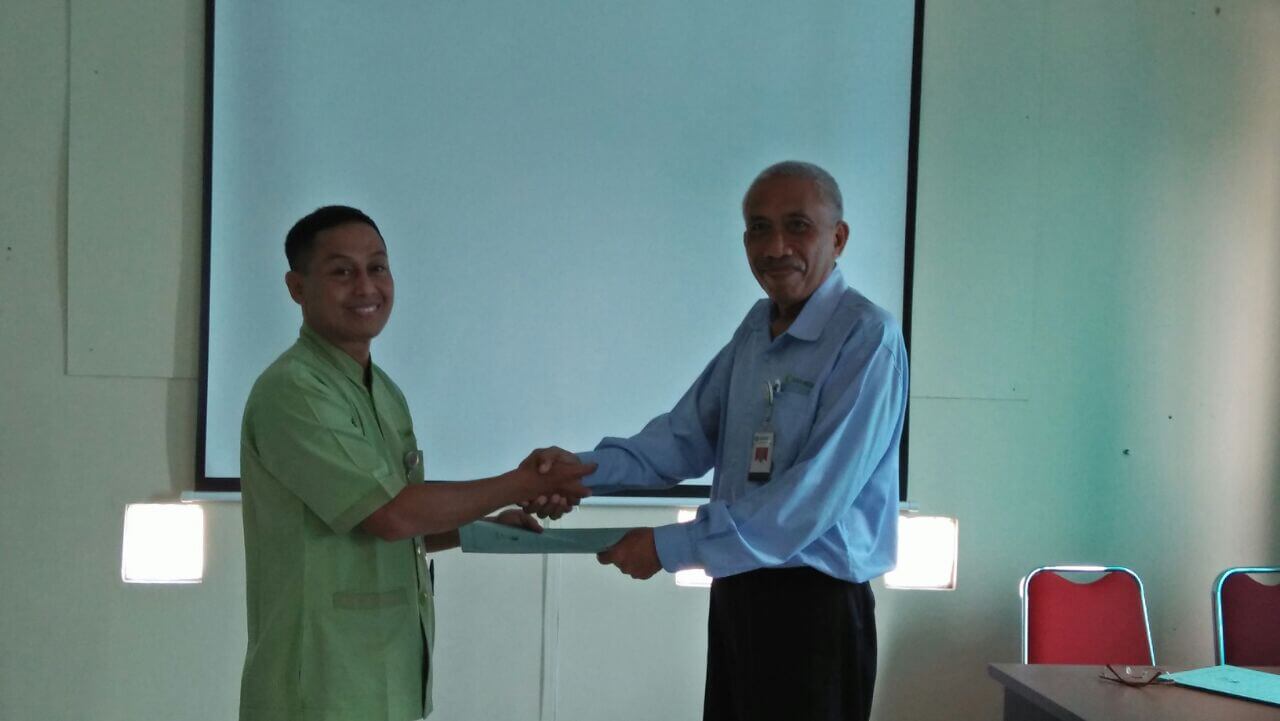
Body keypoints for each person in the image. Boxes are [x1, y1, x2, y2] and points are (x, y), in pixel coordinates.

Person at [526, 161, 908, 721]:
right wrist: (577, 472)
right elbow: (681, 440)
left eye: (797, 226)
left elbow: (810, 500)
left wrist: (669, 547)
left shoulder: (867, 337)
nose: (775, 247)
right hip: (738, 595)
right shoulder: (756, 328)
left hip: (815, 610)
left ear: (838, 238)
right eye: (758, 228)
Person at [238, 205, 594, 721]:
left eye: (377, 267)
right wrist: (522, 482)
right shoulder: (295, 390)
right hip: (318, 686)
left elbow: (402, 526)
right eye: (342, 272)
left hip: (389, 678)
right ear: (297, 287)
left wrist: (481, 527)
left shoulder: (384, 392)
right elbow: (392, 515)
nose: (366, 287)